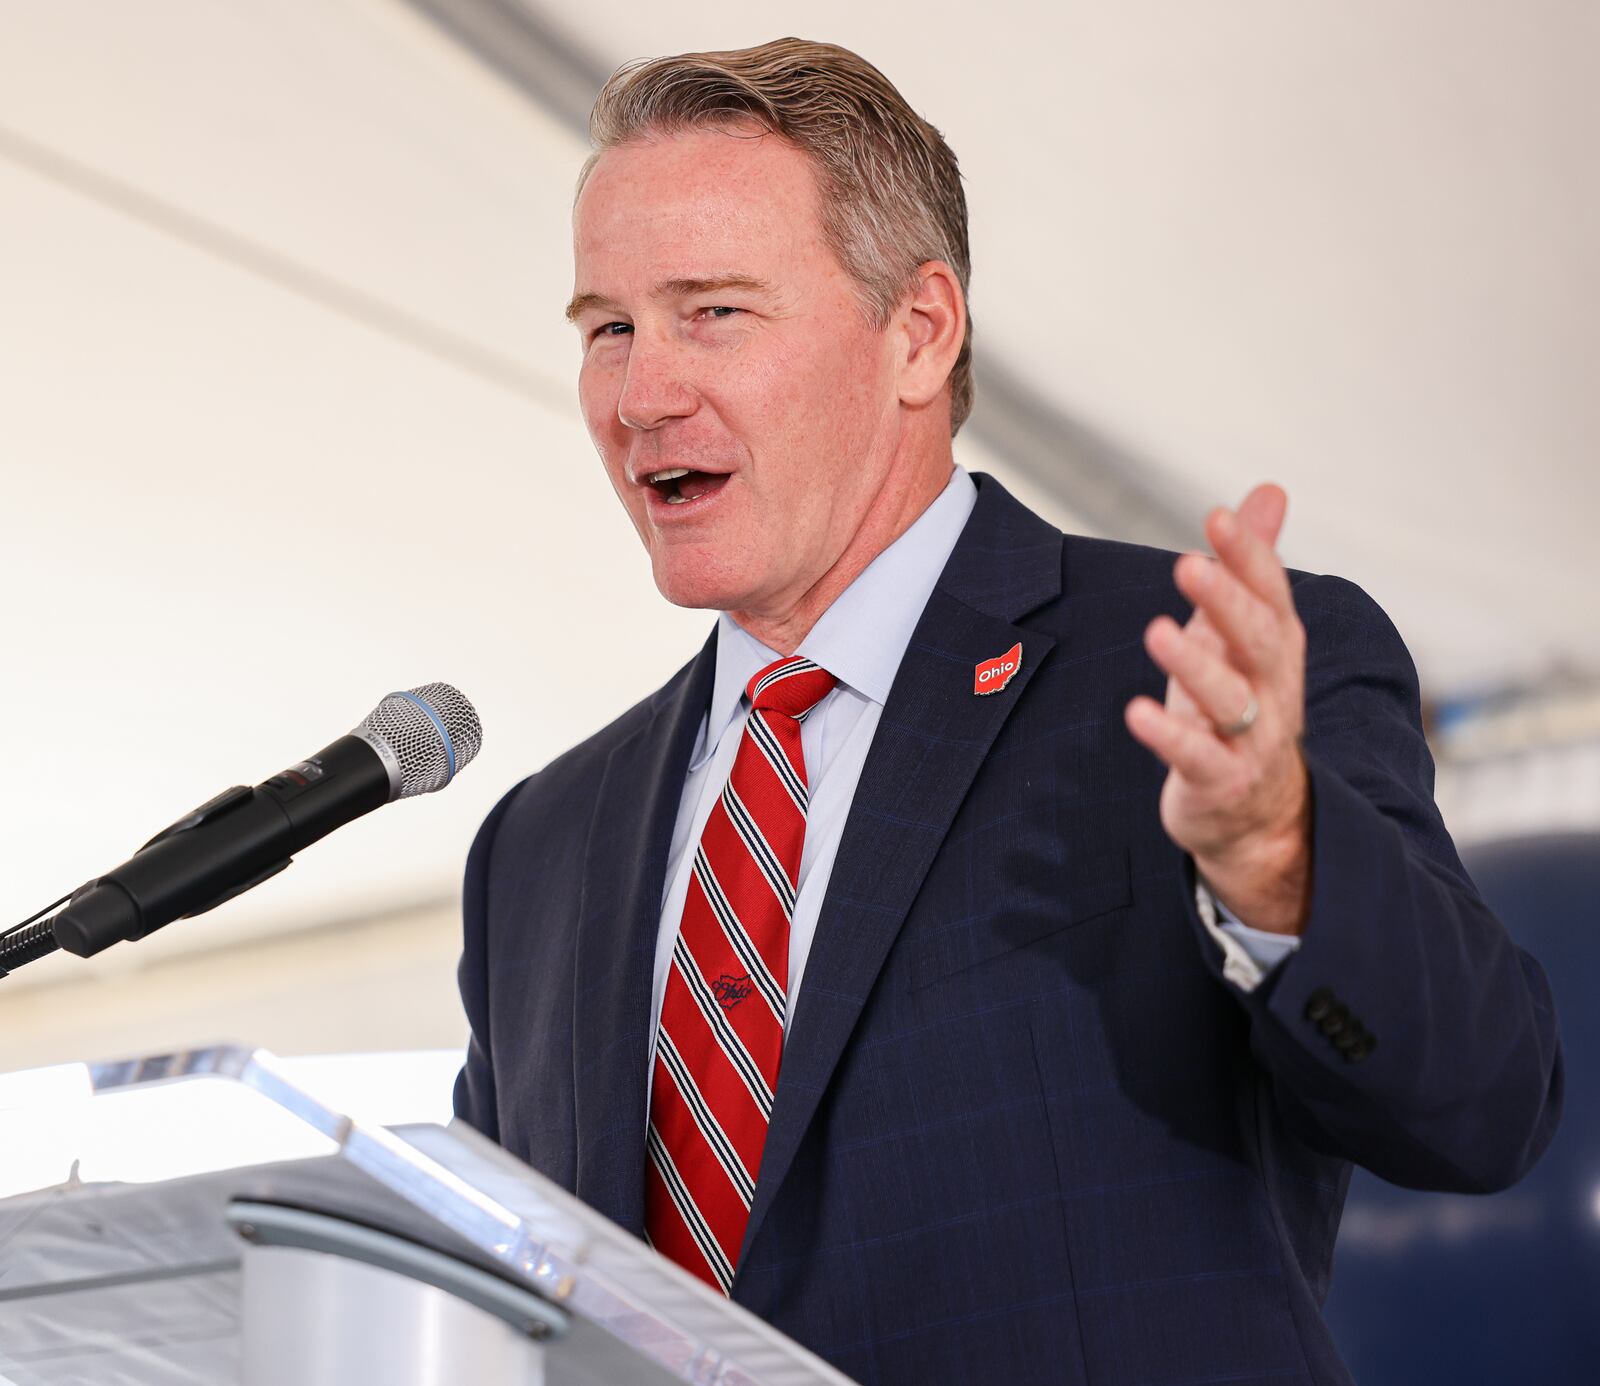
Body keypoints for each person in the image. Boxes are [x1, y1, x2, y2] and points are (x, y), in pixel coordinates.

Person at [453, 38, 1561, 1385]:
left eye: (714, 313)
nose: (639, 394)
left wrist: (1280, 857)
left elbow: (1482, 1108)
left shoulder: (1200, 679)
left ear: (920, 332)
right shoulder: (541, 848)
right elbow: (495, 1309)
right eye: (608, 327)